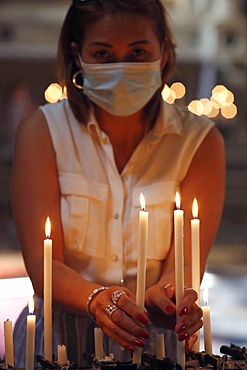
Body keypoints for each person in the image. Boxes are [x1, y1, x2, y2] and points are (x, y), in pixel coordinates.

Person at [11, 0, 225, 367]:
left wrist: (172, 296)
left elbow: (184, 264)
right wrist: (97, 298)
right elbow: (43, 264)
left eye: (138, 52)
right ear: (78, 56)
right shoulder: (43, 133)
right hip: (57, 344)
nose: (121, 67)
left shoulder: (199, 142)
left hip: (151, 344)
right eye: (103, 53)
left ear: (163, 54)